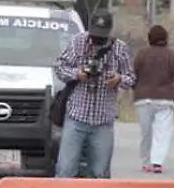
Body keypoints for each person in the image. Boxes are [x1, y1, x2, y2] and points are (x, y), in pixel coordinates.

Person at [53, 10, 135, 179]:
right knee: (65, 169)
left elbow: (132, 78)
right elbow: (59, 68)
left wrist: (118, 79)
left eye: (102, 36)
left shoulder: (120, 49)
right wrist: (77, 73)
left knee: (100, 172)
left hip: (103, 120)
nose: (98, 40)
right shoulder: (78, 42)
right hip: (76, 116)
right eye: (95, 35)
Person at [132, 25, 174, 173]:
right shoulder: (171, 55)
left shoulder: (141, 54)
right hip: (165, 99)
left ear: (149, 38)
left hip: (143, 99)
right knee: (162, 132)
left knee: (146, 132)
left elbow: (133, 75)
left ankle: (146, 161)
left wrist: (135, 89)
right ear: (166, 39)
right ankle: (157, 162)